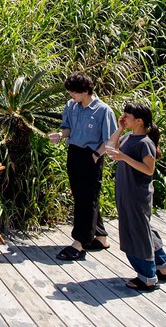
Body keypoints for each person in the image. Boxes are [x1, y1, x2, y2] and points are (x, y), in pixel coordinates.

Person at [106, 102, 166, 290]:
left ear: (139, 120)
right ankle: (163, 267)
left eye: (127, 116)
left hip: (137, 193)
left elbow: (149, 169)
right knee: (143, 228)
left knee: (137, 231)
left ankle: (147, 276)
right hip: (126, 190)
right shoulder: (127, 138)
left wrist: (124, 158)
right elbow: (110, 148)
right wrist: (120, 127)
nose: (124, 117)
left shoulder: (145, 143)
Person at [48, 72, 116, 260]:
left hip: (92, 155)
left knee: (88, 197)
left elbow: (110, 139)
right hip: (74, 153)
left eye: (74, 93)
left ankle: (79, 242)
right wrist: (60, 136)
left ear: (85, 90)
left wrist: (96, 154)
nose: (71, 96)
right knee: (83, 196)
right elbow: (67, 127)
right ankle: (100, 237)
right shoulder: (71, 106)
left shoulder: (103, 110)